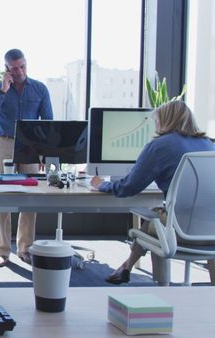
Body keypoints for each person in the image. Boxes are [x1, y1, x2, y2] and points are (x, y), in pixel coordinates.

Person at [90, 101, 215, 284]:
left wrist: (102, 185)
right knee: (162, 218)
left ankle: (160, 286)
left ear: (165, 120)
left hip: (179, 233)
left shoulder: (159, 145)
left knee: (155, 219)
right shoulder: (209, 145)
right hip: (210, 231)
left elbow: (128, 188)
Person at [0, 49, 53, 267]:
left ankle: (25, 248)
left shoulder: (40, 89)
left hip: (31, 146)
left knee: (29, 197)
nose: (20, 71)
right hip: (6, 143)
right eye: (15, 68)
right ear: (7, 69)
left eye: (22, 66)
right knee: (2, 195)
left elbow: (48, 122)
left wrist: (44, 152)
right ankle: (2, 251)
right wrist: (3, 91)